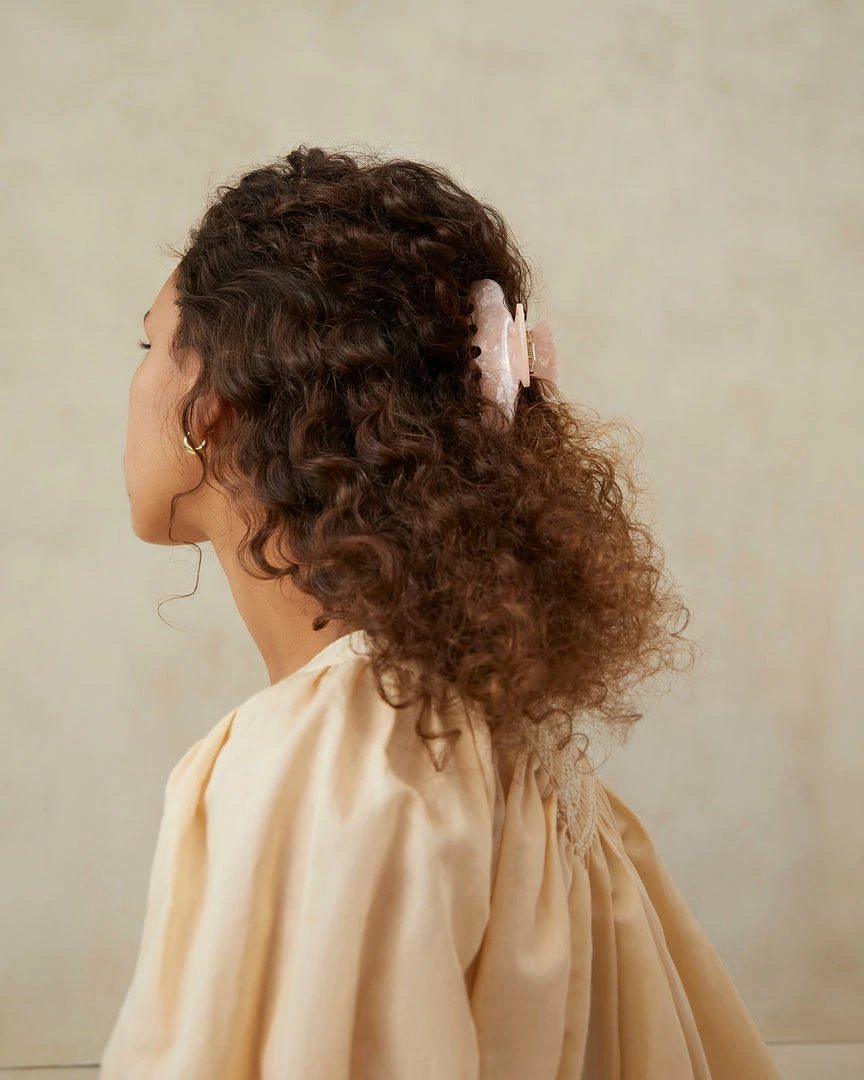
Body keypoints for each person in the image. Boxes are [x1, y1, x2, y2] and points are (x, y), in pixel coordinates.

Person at [101, 145, 781, 1078]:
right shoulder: (509, 749)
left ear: (211, 403)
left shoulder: (343, 766)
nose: (137, 376)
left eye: (150, 346)